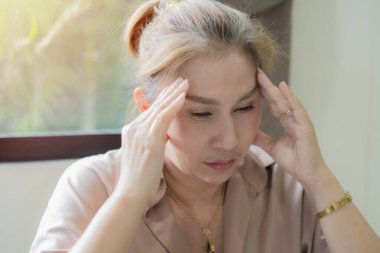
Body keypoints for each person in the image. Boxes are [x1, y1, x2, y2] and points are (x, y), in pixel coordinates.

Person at [30, 0, 380, 252]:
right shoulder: (92, 185)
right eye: (201, 114)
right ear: (147, 108)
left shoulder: (287, 189)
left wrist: (320, 178)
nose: (230, 140)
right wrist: (130, 197)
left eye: (244, 107)